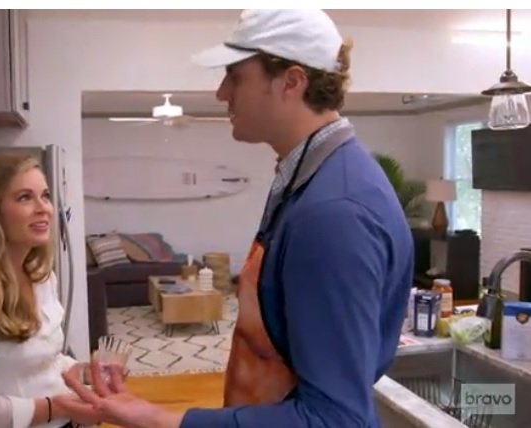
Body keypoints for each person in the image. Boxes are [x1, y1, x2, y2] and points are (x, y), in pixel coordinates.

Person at [56, 9, 414, 428]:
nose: (221, 93)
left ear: (291, 81)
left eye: (235, 76)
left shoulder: (334, 213)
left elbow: (334, 420)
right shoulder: (312, 180)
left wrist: (159, 419)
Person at [0, 153, 99, 428]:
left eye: (45, 196)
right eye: (24, 198)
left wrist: (83, 371)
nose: (43, 208)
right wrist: (57, 407)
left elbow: (45, 361)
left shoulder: (41, 277)